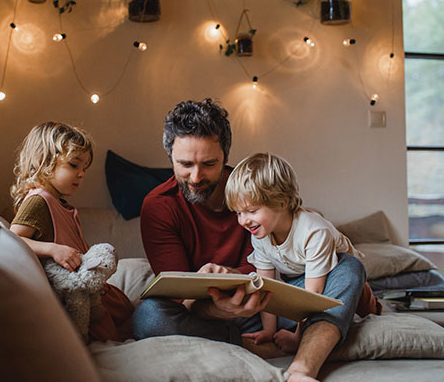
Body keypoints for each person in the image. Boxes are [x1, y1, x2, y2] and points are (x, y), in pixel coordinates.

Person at [132, 99, 365, 382]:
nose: (196, 177)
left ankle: (303, 366)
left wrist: (234, 277)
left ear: (226, 155)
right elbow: (180, 298)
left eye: (208, 164)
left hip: (273, 302)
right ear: (170, 157)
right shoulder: (158, 206)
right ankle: (258, 346)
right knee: (149, 316)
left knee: (348, 267)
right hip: (210, 313)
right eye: (185, 164)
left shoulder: (254, 191)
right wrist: (217, 307)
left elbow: (292, 276)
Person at [224, 152, 381, 356]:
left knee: (367, 312)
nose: (243, 221)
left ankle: (373, 309)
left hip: (338, 277)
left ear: (281, 201)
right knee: (255, 304)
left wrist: (298, 338)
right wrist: (269, 331)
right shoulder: (259, 235)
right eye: (238, 213)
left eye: (251, 211)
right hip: (301, 280)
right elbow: (265, 286)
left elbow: (312, 296)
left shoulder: (313, 231)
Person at [9, 121, 133, 343]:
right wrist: (52, 249)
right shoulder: (39, 201)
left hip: (86, 285)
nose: (82, 174)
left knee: (125, 306)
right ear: (42, 162)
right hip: (71, 295)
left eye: (84, 167)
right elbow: (13, 239)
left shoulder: (59, 202)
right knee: (115, 324)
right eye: (74, 165)